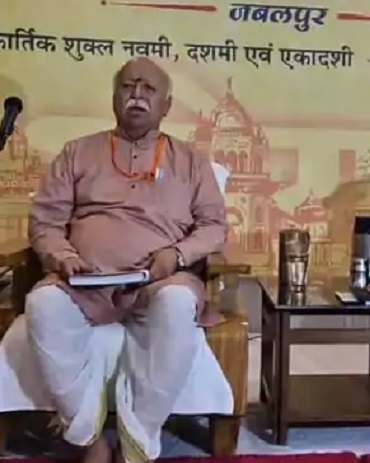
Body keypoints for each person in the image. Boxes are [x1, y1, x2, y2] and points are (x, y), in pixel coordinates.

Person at [25, 57, 229, 463]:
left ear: (166, 105)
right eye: (128, 86)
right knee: (42, 303)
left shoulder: (191, 161)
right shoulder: (77, 152)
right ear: (114, 97)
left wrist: (176, 254)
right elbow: (45, 222)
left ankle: (137, 441)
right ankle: (88, 437)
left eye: (148, 89)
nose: (137, 95)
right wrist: (64, 257)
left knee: (177, 304)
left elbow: (214, 226)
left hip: (159, 283)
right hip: (84, 283)